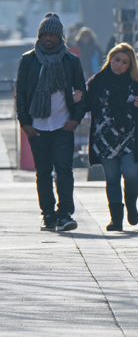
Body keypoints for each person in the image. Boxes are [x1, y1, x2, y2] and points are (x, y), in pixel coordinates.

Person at [15, 12, 86, 232]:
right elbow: (21, 95)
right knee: (43, 172)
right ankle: (48, 215)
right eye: (44, 34)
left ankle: (65, 214)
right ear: (39, 35)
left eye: (52, 35)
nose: (48, 38)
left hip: (63, 124)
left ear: (60, 37)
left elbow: (82, 92)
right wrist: (25, 123)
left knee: (64, 170)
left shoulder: (70, 61)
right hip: (37, 126)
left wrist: (75, 120)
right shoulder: (28, 60)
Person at [86, 43, 138, 231]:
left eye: (124, 62)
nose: (119, 65)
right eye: (117, 60)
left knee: (132, 175)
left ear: (130, 66)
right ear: (110, 59)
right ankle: (116, 219)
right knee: (112, 178)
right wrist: (76, 100)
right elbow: (86, 104)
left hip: (130, 140)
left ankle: (131, 203)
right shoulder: (97, 81)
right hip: (104, 140)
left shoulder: (135, 85)